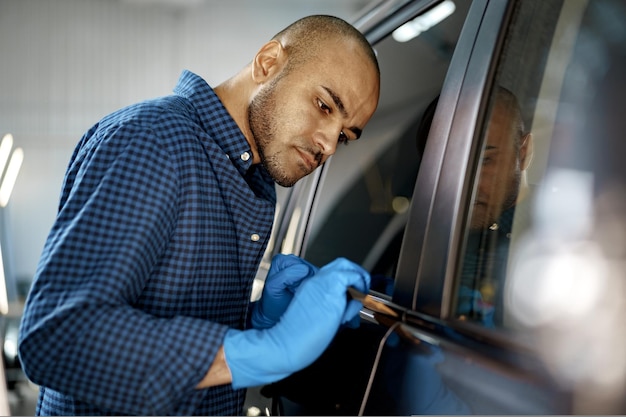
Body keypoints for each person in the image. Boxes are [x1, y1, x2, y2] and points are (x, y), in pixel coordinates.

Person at [17, 15, 380, 416]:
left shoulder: (255, 180)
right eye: (324, 105)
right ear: (268, 62)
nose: (328, 145)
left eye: (344, 136)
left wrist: (254, 323)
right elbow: (55, 338)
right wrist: (264, 351)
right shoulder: (152, 142)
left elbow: (165, 316)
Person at [455, 86, 534, 326]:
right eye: (456, 162)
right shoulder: (434, 230)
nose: (466, 180)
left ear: (524, 153)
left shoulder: (551, 239)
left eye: (485, 160)